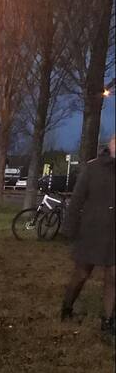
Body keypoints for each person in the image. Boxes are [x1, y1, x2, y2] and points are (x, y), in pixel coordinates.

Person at [60, 135, 115, 336]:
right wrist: (69, 228)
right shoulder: (93, 168)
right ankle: (67, 307)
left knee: (113, 277)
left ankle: (108, 321)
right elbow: (77, 200)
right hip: (92, 232)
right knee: (82, 274)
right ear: (111, 144)